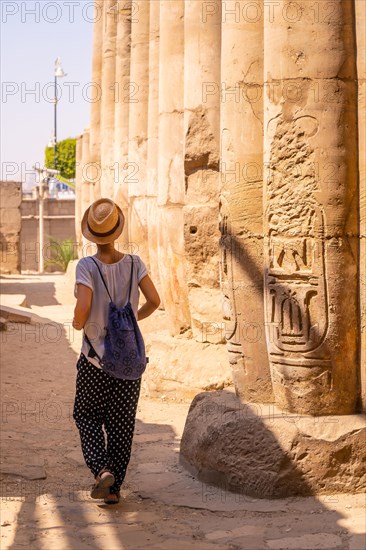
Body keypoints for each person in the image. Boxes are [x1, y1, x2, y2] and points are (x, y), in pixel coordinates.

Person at [72, 198, 160, 504]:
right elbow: (154, 300)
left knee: (86, 415)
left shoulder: (87, 266)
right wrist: (132, 318)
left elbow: (82, 309)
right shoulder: (136, 263)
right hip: (129, 359)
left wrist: (77, 321)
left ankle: (100, 472)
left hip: (95, 359)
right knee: (122, 423)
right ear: (117, 230)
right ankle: (114, 489)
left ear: (93, 236)